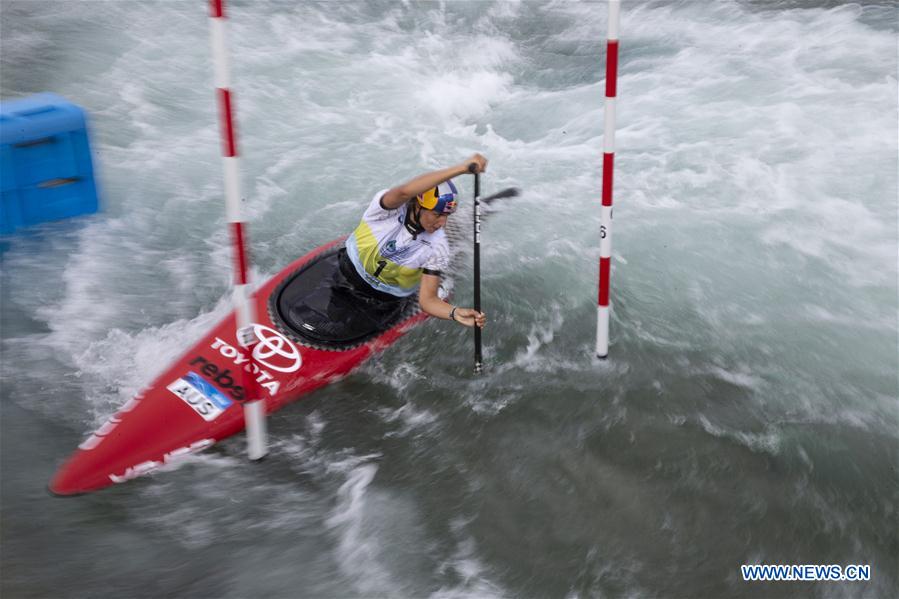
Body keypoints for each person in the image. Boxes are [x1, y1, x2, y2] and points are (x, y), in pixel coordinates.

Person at [340, 154, 488, 330]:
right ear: (418, 205)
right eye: (438, 214)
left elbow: (428, 301)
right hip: (346, 272)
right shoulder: (385, 211)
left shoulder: (438, 246)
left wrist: (455, 313)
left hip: (384, 300)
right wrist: (462, 168)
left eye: (447, 216)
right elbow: (404, 192)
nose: (442, 223)